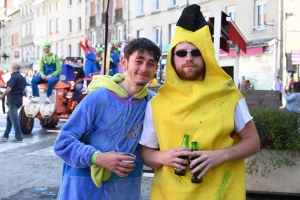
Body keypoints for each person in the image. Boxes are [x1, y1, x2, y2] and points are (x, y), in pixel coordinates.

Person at [139, 5, 260, 200]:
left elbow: (253, 141)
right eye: (181, 53)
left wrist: (220, 156)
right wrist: (164, 157)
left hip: (221, 194)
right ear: (172, 58)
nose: (188, 58)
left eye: (196, 52)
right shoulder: (157, 103)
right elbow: (147, 152)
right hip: (168, 195)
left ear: (206, 57)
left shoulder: (229, 96)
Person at [53, 37, 161, 200]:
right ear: (124, 62)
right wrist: (97, 157)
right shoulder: (99, 97)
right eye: (138, 61)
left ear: (156, 69)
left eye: (150, 63)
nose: (144, 68)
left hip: (124, 191)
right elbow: (63, 143)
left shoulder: (153, 104)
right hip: (82, 190)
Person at [0, 63, 26, 142]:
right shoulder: (22, 77)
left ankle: (18, 137)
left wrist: (2, 96)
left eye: (11, 67)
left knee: (14, 119)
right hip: (18, 99)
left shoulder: (14, 77)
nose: (10, 68)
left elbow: (9, 89)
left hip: (13, 100)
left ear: (14, 68)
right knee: (9, 118)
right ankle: (5, 135)